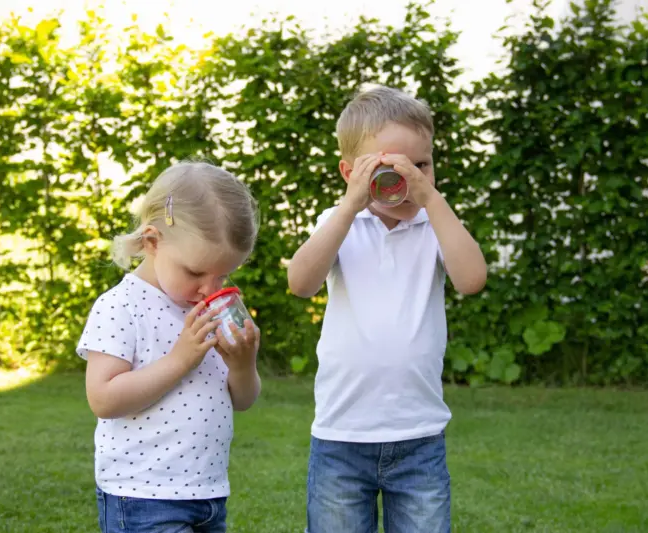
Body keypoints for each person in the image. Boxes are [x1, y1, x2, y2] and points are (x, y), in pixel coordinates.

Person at [288, 86, 488, 533]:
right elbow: (301, 283)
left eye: (421, 165)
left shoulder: (435, 224)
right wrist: (348, 206)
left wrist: (432, 199)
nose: (408, 177)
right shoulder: (339, 223)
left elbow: (471, 280)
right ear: (350, 171)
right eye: (387, 166)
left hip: (418, 434)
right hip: (342, 433)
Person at [77, 161, 261, 533]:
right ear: (151, 242)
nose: (210, 290)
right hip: (142, 494)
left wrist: (243, 366)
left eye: (224, 275)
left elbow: (242, 400)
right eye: (195, 272)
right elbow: (103, 399)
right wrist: (180, 359)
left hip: (206, 492)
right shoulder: (120, 306)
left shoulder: (207, 310)